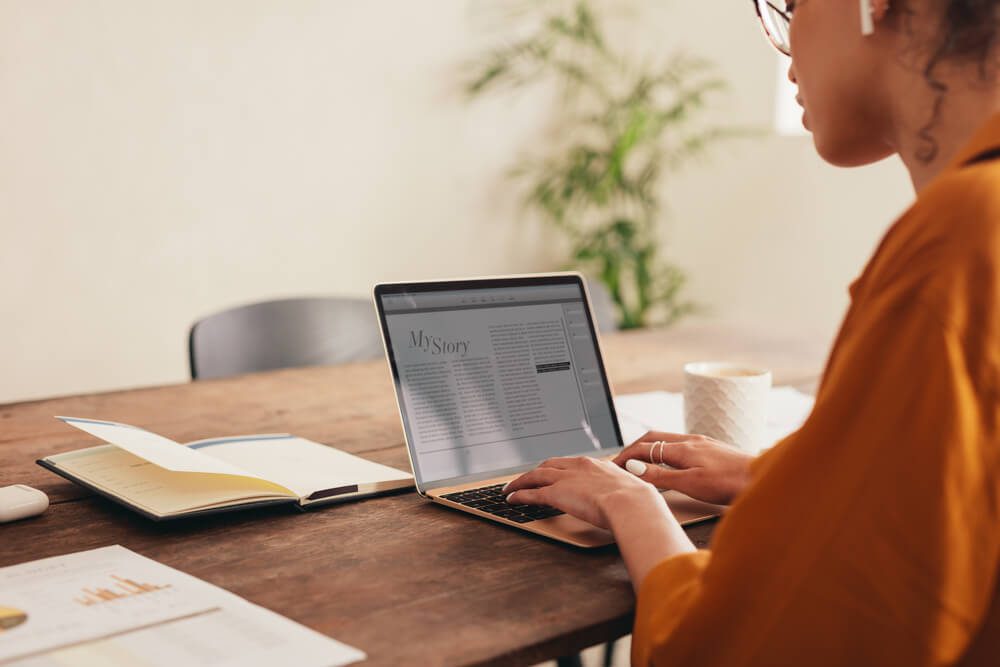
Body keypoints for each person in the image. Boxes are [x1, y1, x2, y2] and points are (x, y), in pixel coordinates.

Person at [503, 0, 1000, 664]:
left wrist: (632, 503)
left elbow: (744, 647)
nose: (785, 48)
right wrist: (780, 478)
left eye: (789, 7)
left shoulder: (967, 238)